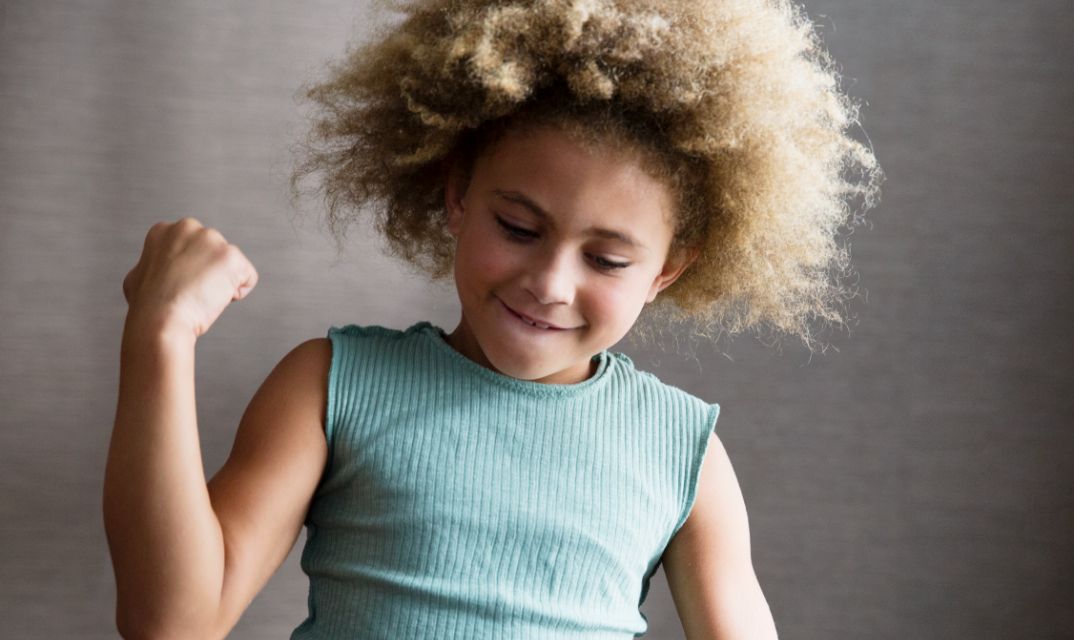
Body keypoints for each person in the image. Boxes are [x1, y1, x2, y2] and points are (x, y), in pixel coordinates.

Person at [103, 0, 881, 638]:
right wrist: (160, 334)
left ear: (668, 269)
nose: (548, 283)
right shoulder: (334, 385)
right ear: (456, 195)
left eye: (607, 261)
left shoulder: (684, 454)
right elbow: (172, 624)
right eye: (518, 226)